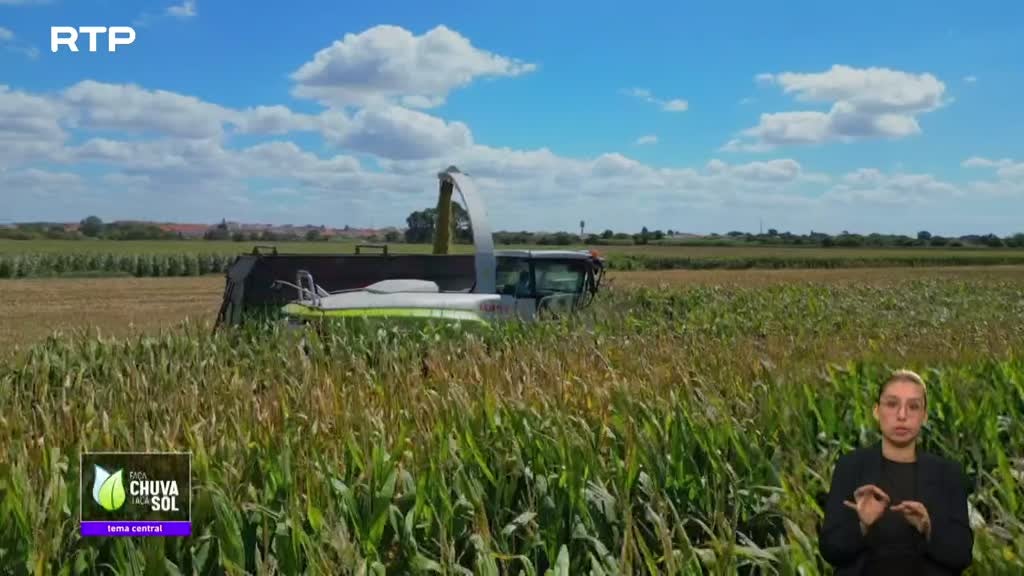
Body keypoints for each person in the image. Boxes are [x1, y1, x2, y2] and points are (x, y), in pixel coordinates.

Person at [818, 369, 974, 575]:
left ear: (924, 416)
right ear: (876, 411)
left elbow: (962, 554)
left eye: (913, 407)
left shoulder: (947, 473)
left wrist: (928, 529)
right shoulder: (851, 467)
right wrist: (862, 526)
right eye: (892, 404)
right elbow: (830, 550)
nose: (902, 415)